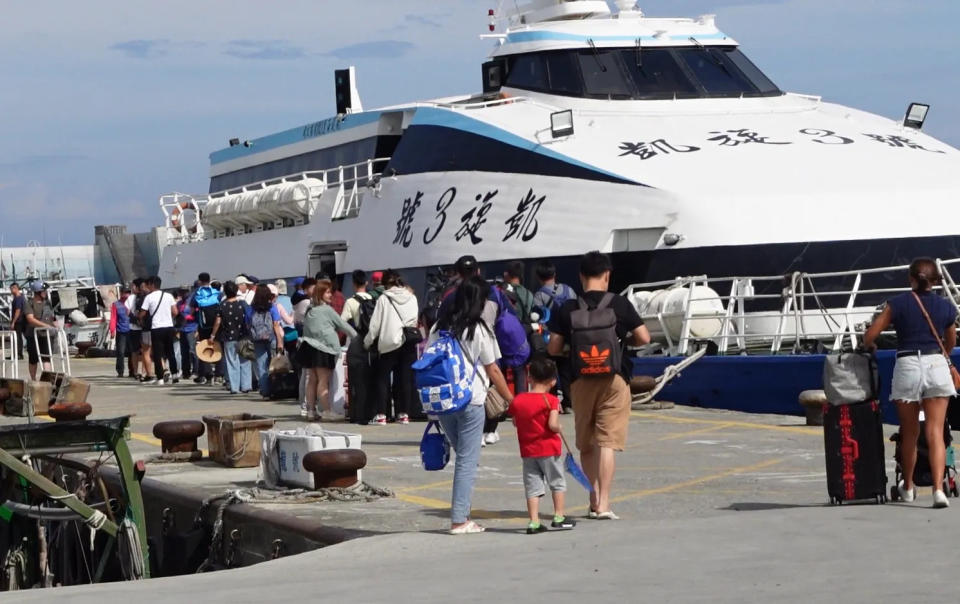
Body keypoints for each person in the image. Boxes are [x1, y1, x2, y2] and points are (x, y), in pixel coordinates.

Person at [547, 251, 650, 520]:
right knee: (607, 442)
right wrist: (623, 344)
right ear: (607, 275)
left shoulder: (567, 308)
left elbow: (554, 347)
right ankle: (604, 503)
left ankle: (592, 498)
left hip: (580, 380)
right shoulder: (619, 304)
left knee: (588, 444)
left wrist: (574, 349)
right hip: (614, 379)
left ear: (581, 277)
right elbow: (644, 337)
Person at [864, 258, 956, 508]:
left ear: (911, 279)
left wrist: (870, 346)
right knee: (936, 432)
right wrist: (940, 357)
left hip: (908, 367)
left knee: (910, 433)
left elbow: (870, 336)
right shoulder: (946, 307)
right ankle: (938, 490)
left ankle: (908, 487)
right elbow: (950, 342)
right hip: (937, 366)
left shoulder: (897, 304)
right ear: (936, 280)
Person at [431, 275, 514, 534]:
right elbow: (494, 370)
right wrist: (513, 401)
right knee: (467, 461)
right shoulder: (478, 329)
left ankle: (461, 513)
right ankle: (460, 519)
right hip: (471, 401)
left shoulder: (438, 326)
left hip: (443, 402)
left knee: (466, 459)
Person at [507, 357, 576, 534]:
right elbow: (552, 425)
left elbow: (516, 422)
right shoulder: (551, 400)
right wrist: (559, 427)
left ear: (529, 378)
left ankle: (534, 521)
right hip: (549, 449)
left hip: (528, 450)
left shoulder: (518, 400)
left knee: (532, 486)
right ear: (553, 381)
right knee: (557, 482)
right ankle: (559, 516)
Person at [364, 269, 420, 425]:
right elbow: (414, 319)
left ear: (386, 283)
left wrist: (367, 342)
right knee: (405, 379)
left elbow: (375, 324)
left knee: (383, 379)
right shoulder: (412, 297)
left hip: (389, 343)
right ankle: (404, 414)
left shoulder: (384, 299)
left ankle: (381, 415)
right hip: (408, 341)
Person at [297, 280, 357, 422]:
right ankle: (327, 411)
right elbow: (343, 325)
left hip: (309, 347)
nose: (331, 295)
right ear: (321, 293)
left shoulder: (310, 309)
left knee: (312, 380)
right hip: (324, 349)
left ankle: (311, 411)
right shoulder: (328, 310)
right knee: (323, 381)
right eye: (328, 292)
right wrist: (358, 338)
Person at [534, 260, 578, 413]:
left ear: (538, 277)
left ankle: (552, 403)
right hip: (568, 337)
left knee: (549, 371)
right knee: (567, 370)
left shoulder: (539, 295)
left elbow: (537, 317)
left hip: (549, 338)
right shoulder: (569, 290)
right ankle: (568, 403)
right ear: (554, 274)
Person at [341, 270, 376, 424]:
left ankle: (357, 414)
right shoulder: (374, 299)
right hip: (373, 342)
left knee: (356, 379)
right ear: (366, 283)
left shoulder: (350, 301)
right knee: (370, 378)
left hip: (357, 342)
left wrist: (352, 334)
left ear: (354, 284)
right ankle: (371, 411)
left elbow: (342, 322)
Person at [209, 280, 252, 394]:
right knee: (245, 361)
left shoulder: (222, 305)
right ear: (236, 290)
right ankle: (246, 386)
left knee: (232, 362)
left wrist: (212, 335)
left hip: (229, 337)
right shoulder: (243, 304)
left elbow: (218, 322)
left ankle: (234, 387)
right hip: (244, 336)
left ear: (225, 293)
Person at [247, 283, 285, 399]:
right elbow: (276, 325)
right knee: (274, 365)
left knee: (261, 366)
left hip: (257, 339)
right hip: (271, 338)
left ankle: (265, 392)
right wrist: (280, 341)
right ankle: (276, 389)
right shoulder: (272, 307)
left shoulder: (250, 309)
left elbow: (248, 324)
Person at [139, 276, 179, 385]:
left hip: (156, 327)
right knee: (170, 352)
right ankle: (175, 375)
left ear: (152, 284)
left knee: (157, 354)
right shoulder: (169, 296)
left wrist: (141, 319)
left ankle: (160, 378)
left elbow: (142, 313)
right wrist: (167, 316)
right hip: (169, 326)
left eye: (148, 284)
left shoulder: (149, 297)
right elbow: (175, 312)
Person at [192, 272, 222, 384]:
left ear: (200, 281)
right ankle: (219, 375)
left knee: (204, 347)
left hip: (203, 325)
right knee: (218, 347)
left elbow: (190, 310)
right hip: (216, 324)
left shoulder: (197, 293)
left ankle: (208, 376)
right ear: (209, 280)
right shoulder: (218, 293)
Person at [23, 281, 56, 380]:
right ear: (38, 292)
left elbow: (51, 317)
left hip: (46, 335)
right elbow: (30, 319)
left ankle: (47, 379)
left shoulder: (47, 303)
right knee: (33, 359)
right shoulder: (29, 303)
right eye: (43, 291)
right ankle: (33, 379)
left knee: (47, 357)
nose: (45, 292)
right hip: (33, 335)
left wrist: (55, 325)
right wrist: (45, 326)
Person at [126, 278, 149, 381]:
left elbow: (127, 312)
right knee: (145, 351)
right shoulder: (147, 297)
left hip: (134, 328)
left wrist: (134, 319)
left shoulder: (131, 298)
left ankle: (136, 372)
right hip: (145, 327)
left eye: (133, 286)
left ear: (136, 286)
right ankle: (144, 372)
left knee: (134, 351)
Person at [177, 285, 199, 380]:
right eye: (182, 291)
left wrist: (197, 329)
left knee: (192, 351)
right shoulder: (179, 303)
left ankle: (196, 370)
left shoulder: (193, 302)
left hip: (192, 328)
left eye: (185, 291)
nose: (183, 293)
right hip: (182, 329)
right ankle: (186, 371)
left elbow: (197, 314)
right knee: (184, 352)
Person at [110, 287, 132, 377]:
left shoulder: (132, 303)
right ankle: (120, 371)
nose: (127, 294)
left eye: (128, 292)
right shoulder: (116, 304)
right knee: (121, 352)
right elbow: (113, 318)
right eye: (125, 292)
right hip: (121, 331)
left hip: (132, 330)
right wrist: (112, 330)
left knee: (132, 352)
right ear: (121, 293)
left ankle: (132, 370)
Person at [8, 283, 26, 359]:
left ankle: (18, 354)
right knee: (19, 338)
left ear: (15, 288)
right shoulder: (21, 297)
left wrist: (13, 322)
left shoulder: (18, 298)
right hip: (22, 321)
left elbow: (18, 310)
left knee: (17, 338)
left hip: (18, 321)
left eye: (11, 289)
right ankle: (17, 354)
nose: (10, 291)